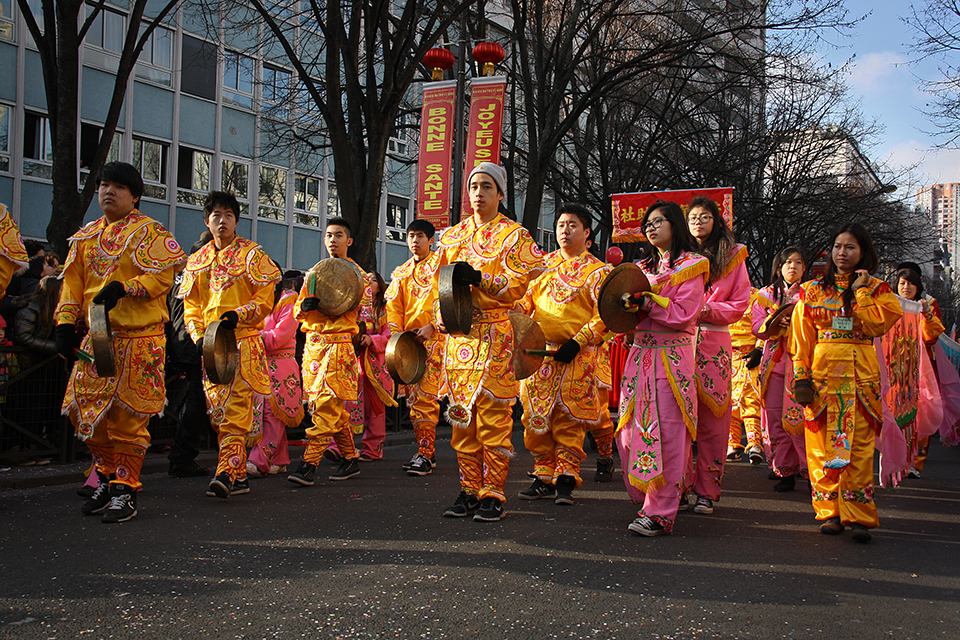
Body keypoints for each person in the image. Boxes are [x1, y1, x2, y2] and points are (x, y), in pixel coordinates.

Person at [56, 161, 186, 523]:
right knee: (85, 414)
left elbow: (161, 278)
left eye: (117, 187)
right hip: (96, 336)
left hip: (140, 339)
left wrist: (126, 287)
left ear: (135, 196)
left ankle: (126, 489)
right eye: (103, 185)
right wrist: (65, 325)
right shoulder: (84, 237)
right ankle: (110, 476)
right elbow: (71, 286)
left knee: (127, 418)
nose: (108, 192)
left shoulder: (151, 233)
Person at [435, 162, 544, 522]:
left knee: (495, 419)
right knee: (462, 418)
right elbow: (439, 288)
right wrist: (440, 318)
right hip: (460, 338)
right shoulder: (451, 237)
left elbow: (517, 285)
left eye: (486, 186)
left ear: (500, 194)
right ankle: (468, 488)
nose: (478, 193)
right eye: (474, 187)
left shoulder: (515, 237)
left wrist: (481, 278)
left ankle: (493, 492)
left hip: (497, 334)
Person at [789, 222, 902, 542]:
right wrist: (801, 377)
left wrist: (862, 290)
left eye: (850, 247)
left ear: (863, 252)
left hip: (860, 381)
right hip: (823, 380)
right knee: (821, 448)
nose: (842, 253)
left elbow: (878, 324)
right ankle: (830, 513)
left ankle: (859, 515)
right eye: (838, 246)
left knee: (861, 449)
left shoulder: (879, 290)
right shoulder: (812, 290)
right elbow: (802, 337)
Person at [179, 191, 281, 499]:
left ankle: (225, 470)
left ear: (236, 220)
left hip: (243, 343)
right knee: (217, 410)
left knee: (236, 407)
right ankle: (238, 475)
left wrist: (239, 315)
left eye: (228, 215)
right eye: (216, 216)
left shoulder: (252, 255)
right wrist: (198, 337)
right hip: (211, 347)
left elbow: (265, 299)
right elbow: (192, 306)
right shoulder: (197, 261)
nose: (222, 221)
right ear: (206, 220)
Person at [618, 200, 708, 536]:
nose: (651, 228)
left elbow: (685, 311)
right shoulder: (639, 268)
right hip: (640, 357)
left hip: (672, 359)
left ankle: (660, 512)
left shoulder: (694, 265)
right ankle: (646, 499)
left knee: (668, 433)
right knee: (628, 432)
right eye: (648, 223)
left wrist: (648, 302)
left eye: (659, 221)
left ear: (675, 225)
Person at [516, 203, 610, 505]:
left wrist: (579, 341)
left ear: (586, 233)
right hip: (538, 354)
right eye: (560, 225)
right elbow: (524, 305)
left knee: (569, 417)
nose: (564, 230)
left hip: (576, 355)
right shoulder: (541, 267)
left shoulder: (599, 272)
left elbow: (605, 316)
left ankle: (567, 477)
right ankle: (543, 472)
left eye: (572, 225)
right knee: (535, 417)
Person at [288, 217, 368, 486]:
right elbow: (298, 313)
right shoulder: (313, 274)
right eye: (329, 235)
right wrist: (306, 306)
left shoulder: (360, 276)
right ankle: (350, 458)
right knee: (331, 409)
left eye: (339, 235)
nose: (333, 239)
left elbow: (365, 313)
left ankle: (308, 465)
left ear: (349, 241)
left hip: (338, 345)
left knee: (325, 406)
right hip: (313, 347)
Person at [684, 197, 750, 515]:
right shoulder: (678, 256)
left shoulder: (734, 255)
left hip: (714, 342)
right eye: (693, 217)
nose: (698, 222)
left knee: (713, 422)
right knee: (678, 419)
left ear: (717, 220)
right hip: (678, 342)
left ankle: (707, 490)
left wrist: (705, 308)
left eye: (705, 216)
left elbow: (739, 303)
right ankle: (677, 486)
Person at [385, 219, 445, 476]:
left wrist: (433, 326)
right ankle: (424, 453)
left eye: (420, 236)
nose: (415, 241)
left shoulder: (441, 266)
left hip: (436, 341)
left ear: (431, 240)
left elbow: (448, 299)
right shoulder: (400, 272)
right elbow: (393, 309)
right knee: (414, 400)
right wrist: (397, 338)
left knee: (426, 399)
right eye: (411, 236)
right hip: (408, 345)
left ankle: (425, 453)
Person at [753, 247, 809, 492]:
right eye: (787, 262)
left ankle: (810, 471)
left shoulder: (812, 294)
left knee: (803, 419)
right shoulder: (765, 294)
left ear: (805, 268)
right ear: (779, 267)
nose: (792, 267)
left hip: (802, 363)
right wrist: (775, 321)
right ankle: (783, 469)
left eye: (798, 263)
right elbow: (757, 327)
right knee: (775, 419)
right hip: (774, 363)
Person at [247, 263, 303, 477]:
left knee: (273, 412)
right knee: (264, 414)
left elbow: (280, 337)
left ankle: (258, 460)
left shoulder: (289, 300)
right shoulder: (256, 300)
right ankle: (279, 459)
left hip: (281, 364)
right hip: (260, 363)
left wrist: (253, 336)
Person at [166, 232, 214, 478]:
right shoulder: (199, 275)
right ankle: (182, 456)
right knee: (198, 401)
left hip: (180, 344)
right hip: (196, 344)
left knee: (194, 400)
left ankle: (186, 453)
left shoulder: (178, 277)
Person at [895, 262, 945, 478]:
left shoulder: (927, 305)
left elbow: (931, 336)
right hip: (893, 366)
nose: (906, 287)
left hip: (918, 368)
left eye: (911, 283)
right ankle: (895, 460)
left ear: (918, 286)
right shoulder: (889, 305)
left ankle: (915, 462)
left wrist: (926, 314)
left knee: (919, 415)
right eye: (902, 283)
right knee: (894, 414)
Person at [351, 270, 396, 461]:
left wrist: (373, 339)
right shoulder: (352, 306)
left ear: (380, 286)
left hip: (374, 365)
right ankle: (342, 448)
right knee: (347, 405)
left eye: (373, 280)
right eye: (366, 280)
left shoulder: (385, 309)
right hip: (353, 363)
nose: (369, 282)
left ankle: (372, 449)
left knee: (375, 408)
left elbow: (391, 336)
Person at [726, 288, 763, 464]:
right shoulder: (721, 293)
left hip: (750, 356)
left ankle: (754, 443)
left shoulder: (758, 296)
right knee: (729, 402)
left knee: (751, 400)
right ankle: (733, 443)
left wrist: (759, 348)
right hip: (726, 356)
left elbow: (763, 324)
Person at [13, 274, 61, 356]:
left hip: (47, 361)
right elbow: (23, 337)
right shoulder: (30, 309)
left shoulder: (56, 309)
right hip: (31, 361)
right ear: (51, 291)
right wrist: (56, 347)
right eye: (61, 290)